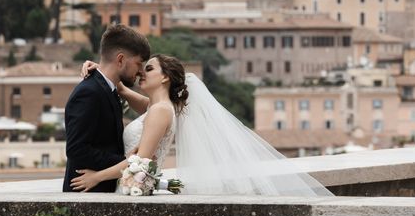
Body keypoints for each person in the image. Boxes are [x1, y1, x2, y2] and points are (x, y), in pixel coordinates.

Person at [71, 56, 332, 197]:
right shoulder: (162, 108)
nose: (142, 73)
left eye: (148, 69)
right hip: (131, 186)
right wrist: (106, 75)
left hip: (128, 186)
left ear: (164, 77)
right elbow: (137, 100)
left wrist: (97, 176)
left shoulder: (161, 112)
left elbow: (140, 160)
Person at [62, 24, 150, 192]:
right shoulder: (89, 92)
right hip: (87, 194)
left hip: (103, 190)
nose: (140, 71)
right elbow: (76, 149)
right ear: (121, 59)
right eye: (138, 64)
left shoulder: (108, 88)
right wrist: (126, 161)